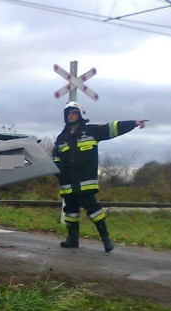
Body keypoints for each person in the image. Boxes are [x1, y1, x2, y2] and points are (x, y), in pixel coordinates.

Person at [53, 101, 148, 252]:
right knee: (70, 211)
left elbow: (112, 128)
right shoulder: (61, 137)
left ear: (80, 115)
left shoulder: (92, 131)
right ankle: (72, 239)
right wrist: (59, 174)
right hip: (67, 183)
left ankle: (106, 239)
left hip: (85, 182)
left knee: (94, 210)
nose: (71, 116)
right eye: (68, 113)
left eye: (74, 113)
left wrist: (134, 123)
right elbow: (56, 157)